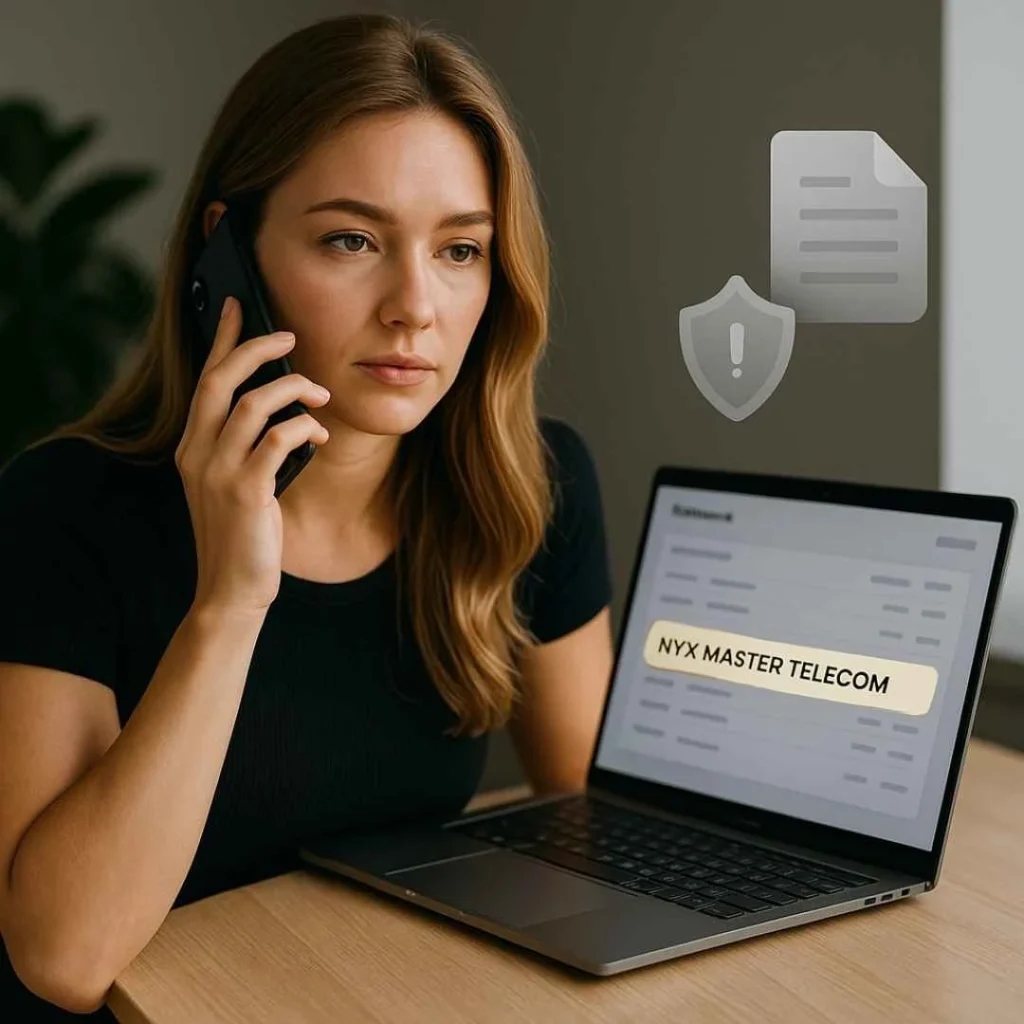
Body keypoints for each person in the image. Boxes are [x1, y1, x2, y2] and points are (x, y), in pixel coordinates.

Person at [0, 13, 614, 1020]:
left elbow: (590, 811)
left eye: (459, 250)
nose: (415, 304)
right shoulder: (64, 509)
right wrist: (231, 602)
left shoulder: (531, 489)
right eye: (352, 239)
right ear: (228, 254)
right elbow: (63, 960)